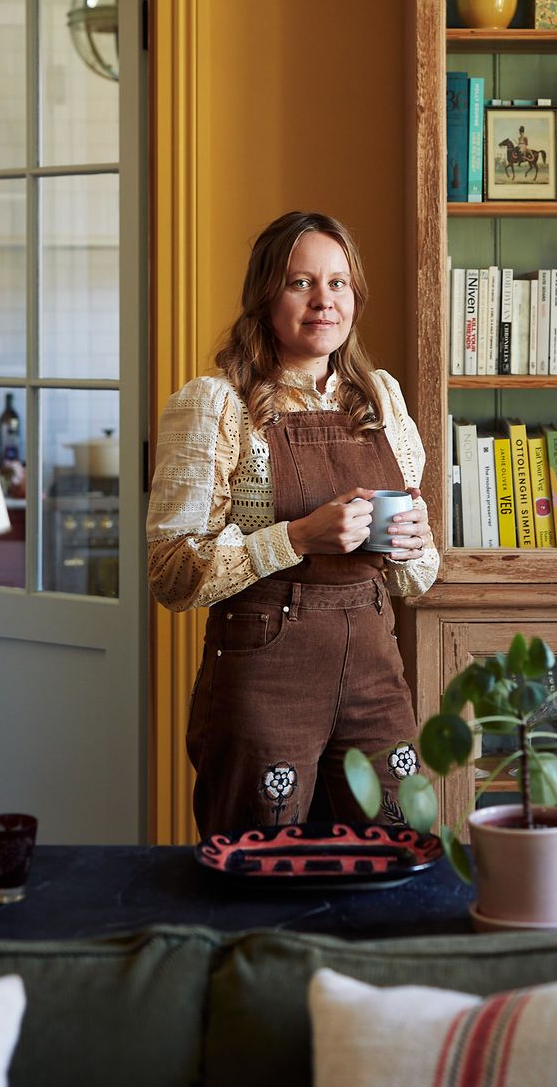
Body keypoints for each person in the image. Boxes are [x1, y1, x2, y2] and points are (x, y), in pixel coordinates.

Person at [146, 210, 439, 837]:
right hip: (264, 668)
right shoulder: (216, 403)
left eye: (338, 283)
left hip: (374, 662)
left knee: (397, 844)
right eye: (300, 283)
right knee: (259, 855)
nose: (322, 301)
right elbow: (170, 573)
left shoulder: (381, 398)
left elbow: (418, 580)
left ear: (356, 294)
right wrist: (297, 538)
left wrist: (411, 548)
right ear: (264, 296)